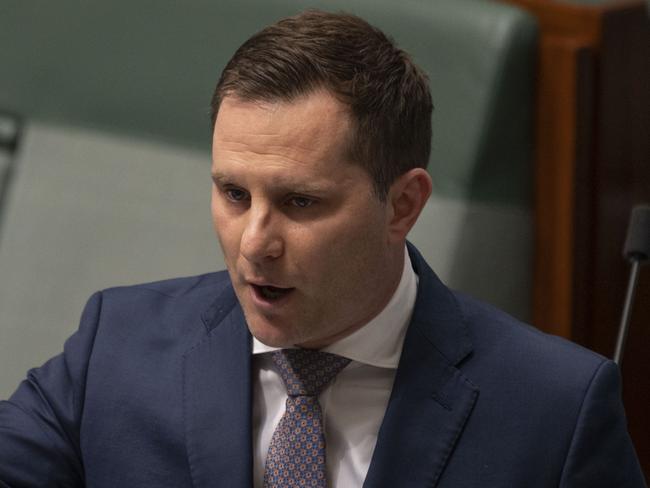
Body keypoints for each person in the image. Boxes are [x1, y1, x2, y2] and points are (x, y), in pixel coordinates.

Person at [0, 9, 645, 488]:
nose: (255, 243)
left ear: (402, 206)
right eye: (233, 194)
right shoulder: (116, 347)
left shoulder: (556, 412)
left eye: (301, 203)